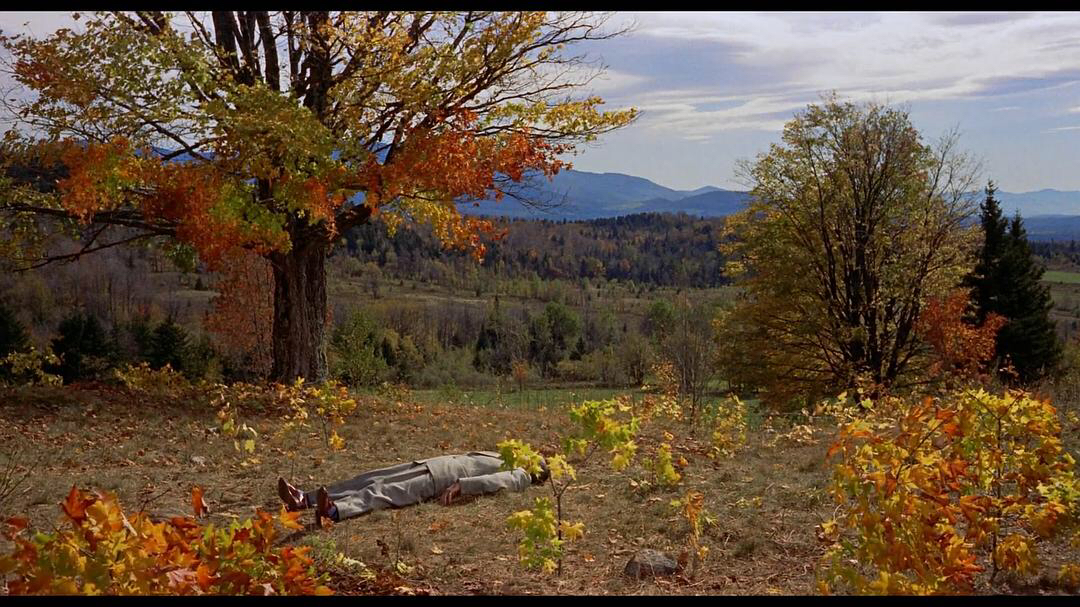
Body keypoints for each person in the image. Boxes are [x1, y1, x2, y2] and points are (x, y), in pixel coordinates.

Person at [277, 451, 549, 525]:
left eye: (539, 460)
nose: (534, 455)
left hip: (440, 479)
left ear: (537, 471)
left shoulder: (521, 475)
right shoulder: (511, 455)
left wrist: (461, 486)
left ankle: (335, 510)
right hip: (433, 465)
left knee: (383, 492)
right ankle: (303, 499)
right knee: (370, 478)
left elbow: (495, 481)